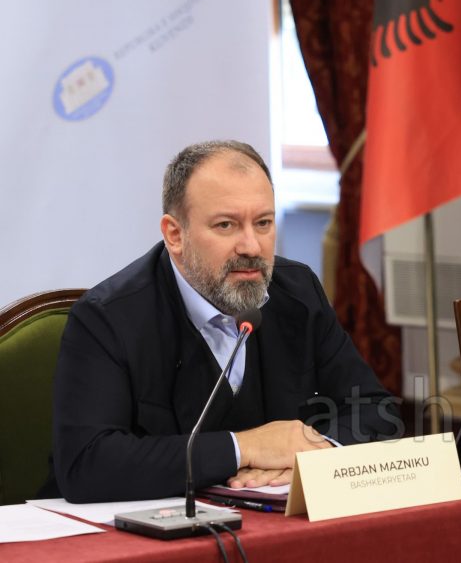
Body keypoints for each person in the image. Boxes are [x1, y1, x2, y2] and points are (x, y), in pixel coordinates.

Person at [50, 140, 401, 503]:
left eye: (263, 223)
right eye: (226, 225)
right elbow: (86, 463)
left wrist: (312, 452)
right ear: (175, 235)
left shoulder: (298, 293)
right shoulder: (108, 317)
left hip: (270, 518)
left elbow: (376, 409)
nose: (251, 247)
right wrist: (245, 447)